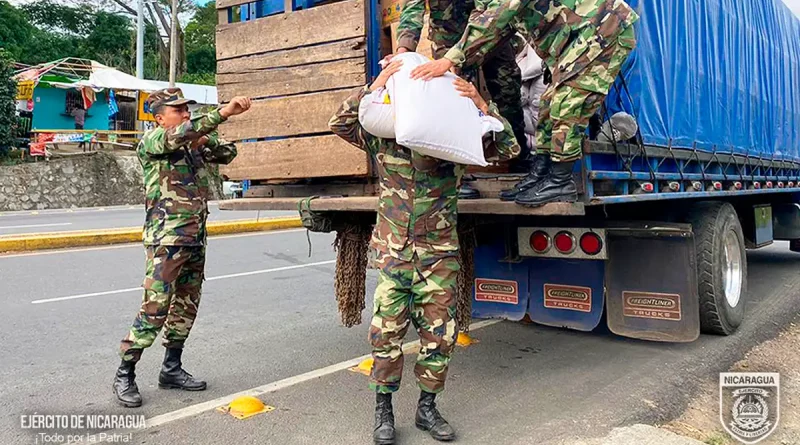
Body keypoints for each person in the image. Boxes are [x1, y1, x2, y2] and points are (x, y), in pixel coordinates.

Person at [329, 61, 519, 444]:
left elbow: (508, 146)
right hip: (395, 254)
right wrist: (378, 82)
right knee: (386, 334)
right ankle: (383, 409)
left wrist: (482, 104)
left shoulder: (449, 139)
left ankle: (427, 408)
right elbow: (341, 121)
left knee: (440, 336)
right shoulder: (384, 137)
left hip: (438, 254)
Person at [410, 0, 639, 207]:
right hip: (577, 41)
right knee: (548, 104)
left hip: (604, 30)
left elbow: (495, 18)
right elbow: (491, 24)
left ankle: (561, 181)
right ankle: (541, 174)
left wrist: (450, 58)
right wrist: (462, 60)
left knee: (567, 105)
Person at [112, 88, 251, 408]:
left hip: (194, 237)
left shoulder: (191, 142)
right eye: (179, 110)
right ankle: (125, 372)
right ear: (160, 118)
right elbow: (181, 134)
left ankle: (171, 368)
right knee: (155, 308)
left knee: (187, 305)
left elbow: (228, 153)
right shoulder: (152, 142)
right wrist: (222, 114)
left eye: (187, 109)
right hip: (166, 240)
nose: (186, 113)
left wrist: (207, 139)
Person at [396, 0, 528, 199]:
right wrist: (403, 50)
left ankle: (519, 156)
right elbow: (412, 8)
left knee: (507, 89)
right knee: (455, 97)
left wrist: (457, 55)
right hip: (448, 36)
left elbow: (490, 9)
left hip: (490, 32)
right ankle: (458, 171)